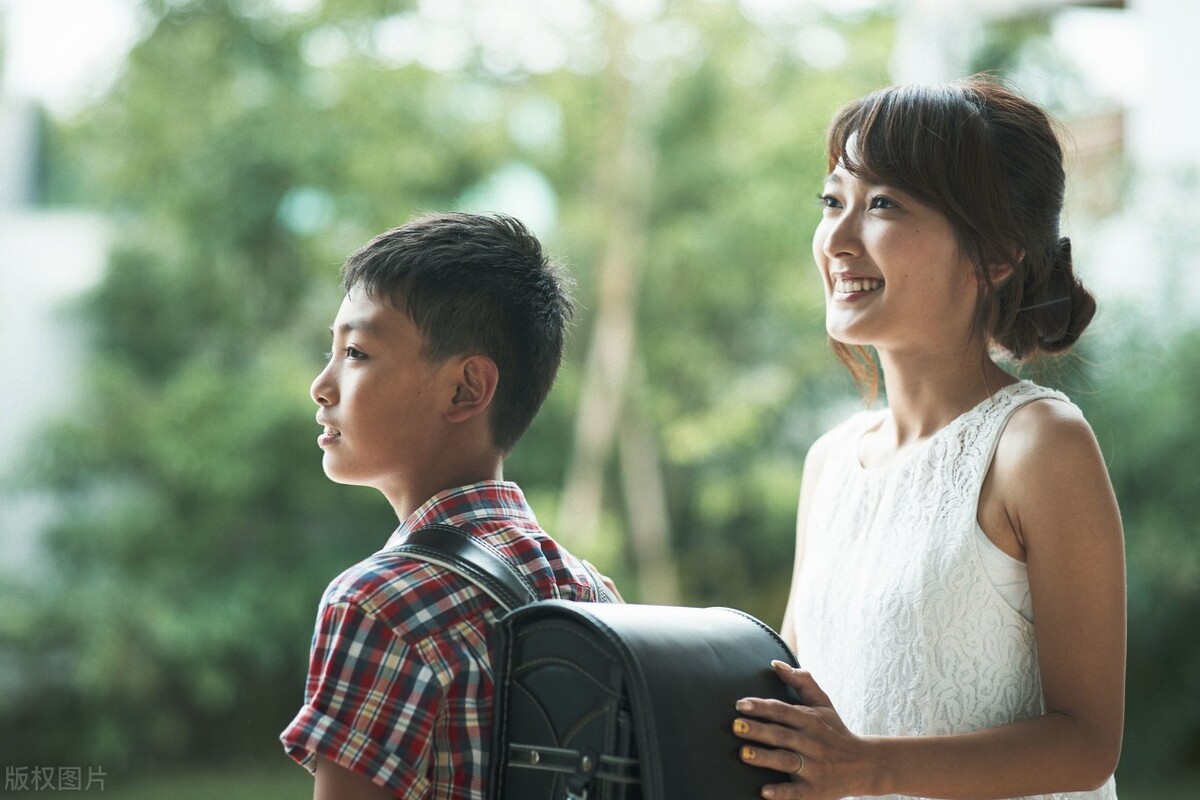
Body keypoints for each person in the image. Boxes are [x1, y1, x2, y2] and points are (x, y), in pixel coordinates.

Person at [731, 78, 1125, 800]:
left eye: (882, 204)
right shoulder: (830, 464)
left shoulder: (1038, 444)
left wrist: (868, 767)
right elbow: (796, 710)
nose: (839, 239)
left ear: (997, 253)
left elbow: (1088, 742)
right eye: (833, 201)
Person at [280, 212, 612, 800]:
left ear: (466, 388)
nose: (322, 384)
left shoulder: (378, 603)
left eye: (355, 352)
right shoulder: (590, 592)